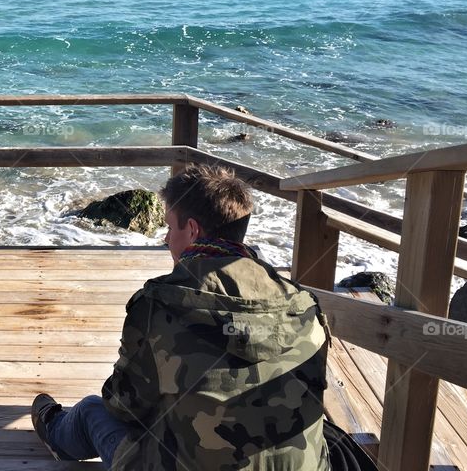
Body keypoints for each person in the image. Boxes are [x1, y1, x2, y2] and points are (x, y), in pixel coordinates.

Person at [31, 164, 331, 470]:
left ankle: (52, 428)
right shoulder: (305, 304)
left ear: (191, 230)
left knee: (91, 411)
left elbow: (123, 405)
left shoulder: (159, 304)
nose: (166, 239)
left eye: (170, 227)